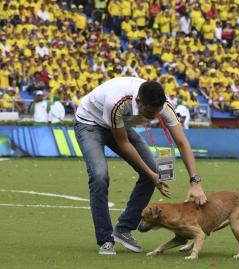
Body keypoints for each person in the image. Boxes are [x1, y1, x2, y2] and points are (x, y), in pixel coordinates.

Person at [74, 77, 207, 255]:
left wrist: (195, 182)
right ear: (138, 102)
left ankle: (123, 229)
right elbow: (123, 143)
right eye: (149, 112)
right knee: (99, 176)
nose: (153, 116)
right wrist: (151, 174)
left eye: (157, 112)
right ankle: (105, 240)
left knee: (154, 173)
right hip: (90, 123)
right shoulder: (117, 102)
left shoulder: (164, 105)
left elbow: (182, 142)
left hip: (120, 124)